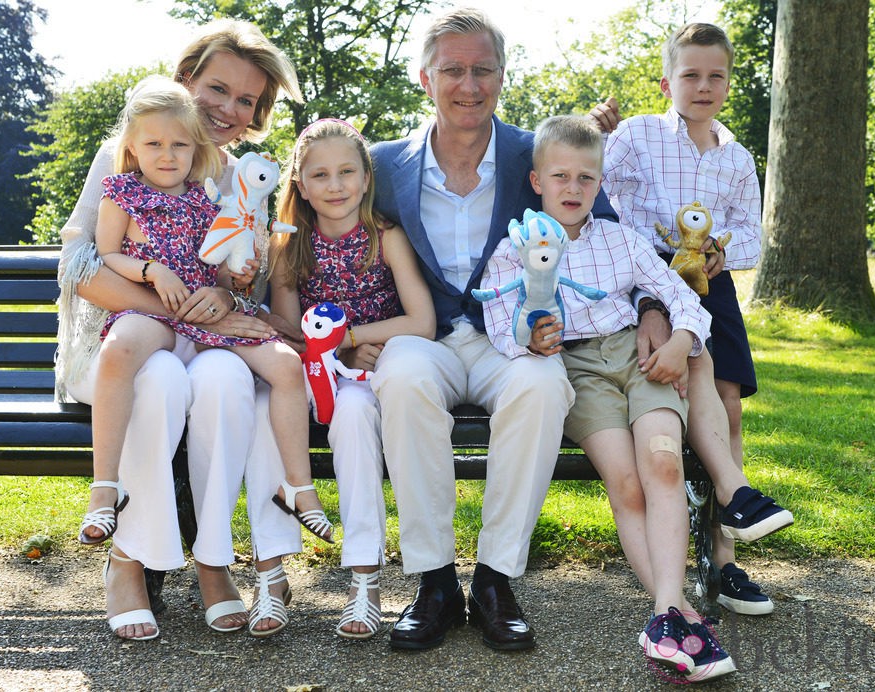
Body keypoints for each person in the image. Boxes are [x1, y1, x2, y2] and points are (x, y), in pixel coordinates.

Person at [368, 7, 617, 651]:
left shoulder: (533, 153)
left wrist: (650, 310)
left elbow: (608, 233)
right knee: (400, 381)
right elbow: (322, 239)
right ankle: (433, 581)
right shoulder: (384, 165)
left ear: (503, 77)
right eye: (453, 70)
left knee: (541, 387)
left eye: (483, 69)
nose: (469, 84)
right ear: (426, 79)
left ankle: (496, 577)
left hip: (513, 337)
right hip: (426, 336)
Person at [56, 19, 308, 640]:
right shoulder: (130, 153)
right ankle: (128, 563)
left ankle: (214, 560)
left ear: (258, 113)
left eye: (245, 100)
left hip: (207, 342)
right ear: (184, 81)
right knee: (162, 377)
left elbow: (241, 286)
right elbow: (79, 266)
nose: (227, 108)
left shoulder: (243, 176)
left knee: (223, 378)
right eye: (216, 89)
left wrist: (227, 291)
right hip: (117, 344)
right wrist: (167, 305)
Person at [480, 115, 741, 681]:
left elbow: (684, 295)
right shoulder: (517, 250)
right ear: (537, 182)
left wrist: (680, 339)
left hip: (639, 359)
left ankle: (666, 614)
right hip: (574, 367)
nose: (574, 189)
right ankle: (678, 614)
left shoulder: (622, 240)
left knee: (664, 466)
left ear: (600, 184)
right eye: (561, 177)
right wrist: (531, 335)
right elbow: (501, 325)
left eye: (586, 179)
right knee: (626, 483)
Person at [81, 75, 333, 556]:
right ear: (132, 147)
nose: (167, 155)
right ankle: (105, 486)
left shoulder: (204, 198)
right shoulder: (121, 193)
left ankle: (298, 487)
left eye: (179, 144)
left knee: (284, 365)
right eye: (153, 144)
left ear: (197, 150)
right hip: (154, 313)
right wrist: (152, 270)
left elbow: (217, 266)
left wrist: (237, 281)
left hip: (202, 316)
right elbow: (106, 255)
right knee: (120, 348)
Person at [599, 23, 790, 615]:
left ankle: (726, 556)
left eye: (716, 76)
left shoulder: (735, 155)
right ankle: (682, 544)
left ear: (729, 84)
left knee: (728, 403)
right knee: (685, 384)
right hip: (649, 277)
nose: (703, 86)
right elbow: (605, 205)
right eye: (691, 75)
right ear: (667, 81)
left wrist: (720, 249)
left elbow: (752, 238)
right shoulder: (637, 135)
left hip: (713, 281)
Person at [269, 118, 436, 638]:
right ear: (299, 183)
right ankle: (268, 574)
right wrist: (329, 348)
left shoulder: (384, 237)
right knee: (264, 403)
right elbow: (286, 326)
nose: (335, 185)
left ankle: (365, 581)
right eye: (320, 175)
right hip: (311, 374)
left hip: (371, 375)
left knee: (357, 411)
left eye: (347, 172)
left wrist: (350, 338)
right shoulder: (290, 245)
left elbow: (421, 322)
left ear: (367, 177)